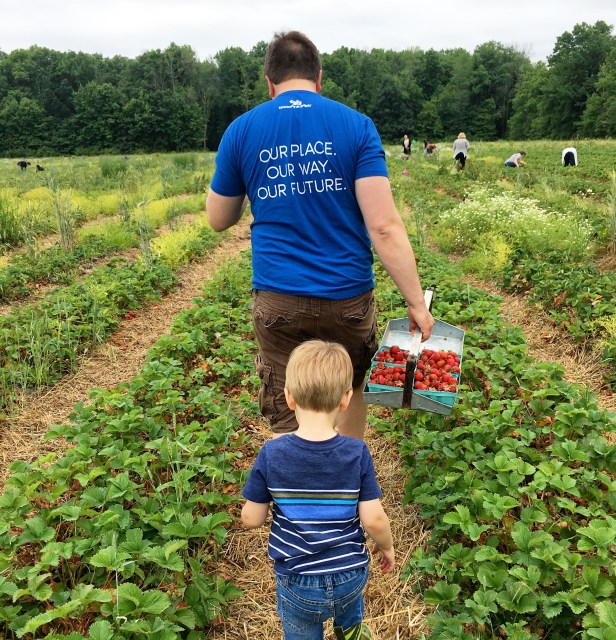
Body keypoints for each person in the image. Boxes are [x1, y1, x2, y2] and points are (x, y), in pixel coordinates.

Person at [206, 31, 434, 439]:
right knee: (348, 389)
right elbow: (383, 226)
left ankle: (292, 497)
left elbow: (218, 218)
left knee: (285, 403)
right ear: (319, 78)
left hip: (278, 298)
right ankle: (345, 488)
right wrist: (416, 303)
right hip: (346, 296)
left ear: (269, 81)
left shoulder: (241, 131)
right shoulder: (356, 126)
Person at [241, 340, 395, 640]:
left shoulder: (272, 454)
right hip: (349, 575)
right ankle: (349, 632)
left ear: (289, 397)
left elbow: (252, 518)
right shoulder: (356, 452)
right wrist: (387, 547)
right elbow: (374, 519)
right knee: (349, 618)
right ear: (346, 399)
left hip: (297, 581)